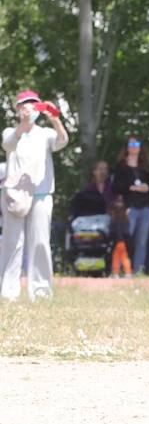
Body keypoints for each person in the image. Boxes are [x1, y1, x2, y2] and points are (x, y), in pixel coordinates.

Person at [1, 91, 68, 300]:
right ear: (18, 108)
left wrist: (54, 118)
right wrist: (24, 124)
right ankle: (7, 293)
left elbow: (62, 141)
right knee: (13, 243)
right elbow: (9, 144)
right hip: (15, 196)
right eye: (25, 104)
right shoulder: (10, 131)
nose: (29, 107)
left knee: (40, 242)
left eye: (34, 104)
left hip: (41, 194)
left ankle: (40, 292)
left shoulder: (45, 133)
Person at [112, 135, 149, 275]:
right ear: (127, 148)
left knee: (141, 242)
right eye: (131, 144)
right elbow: (116, 187)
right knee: (124, 240)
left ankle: (137, 271)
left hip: (145, 207)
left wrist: (146, 188)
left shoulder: (146, 167)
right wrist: (131, 188)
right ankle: (118, 270)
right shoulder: (121, 166)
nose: (134, 147)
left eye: (136, 144)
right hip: (129, 207)